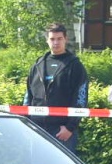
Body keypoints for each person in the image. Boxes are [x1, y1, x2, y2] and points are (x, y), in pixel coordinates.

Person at [24, 22, 89, 152]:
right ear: (47, 40)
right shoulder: (37, 65)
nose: (56, 42)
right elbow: (28, 95)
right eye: (52, 39)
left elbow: (81, 99)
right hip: (37, 129)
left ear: (65, 39)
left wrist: (70, 127)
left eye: (59, 39)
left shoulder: (75, 66)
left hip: (62, 131)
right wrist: (26, 123)